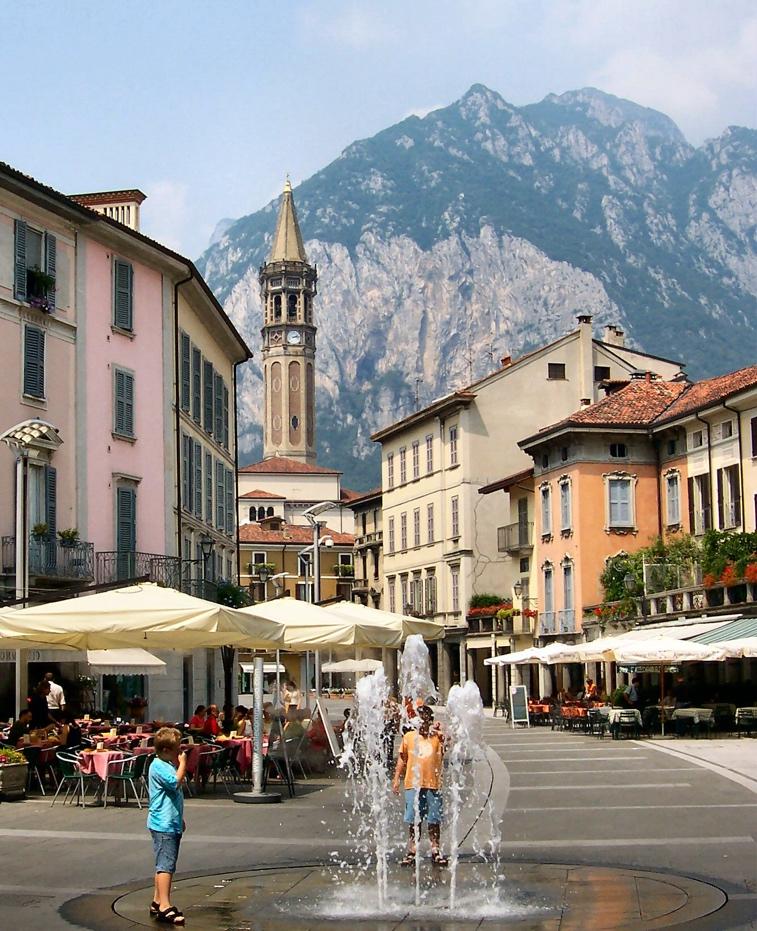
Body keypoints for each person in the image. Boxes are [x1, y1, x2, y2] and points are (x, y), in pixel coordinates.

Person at [392, 704, 448, 866]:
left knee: (434, 819)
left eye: (425, 719)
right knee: (414, 820)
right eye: (420, 719)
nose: (422, 723)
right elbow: (402, 758)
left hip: (433, 784)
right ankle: (412, 849)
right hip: (412, 784)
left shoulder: (437, 737)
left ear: (430, 720)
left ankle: (435, 849)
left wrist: (443, 731)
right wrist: (396, 778)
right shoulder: (409, 737)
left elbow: (451, 744)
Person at [147, 727, 187, 926]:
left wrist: (180, 819)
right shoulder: (160, 766)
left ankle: (157, 900)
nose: (179, 753)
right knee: (166, 865)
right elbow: (175, 783)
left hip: (169, 821)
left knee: (163, 861)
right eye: (177, 749)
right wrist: (183, 764)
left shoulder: (164, 764)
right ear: (165, 750)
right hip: (163, 824)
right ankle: (165, 905)